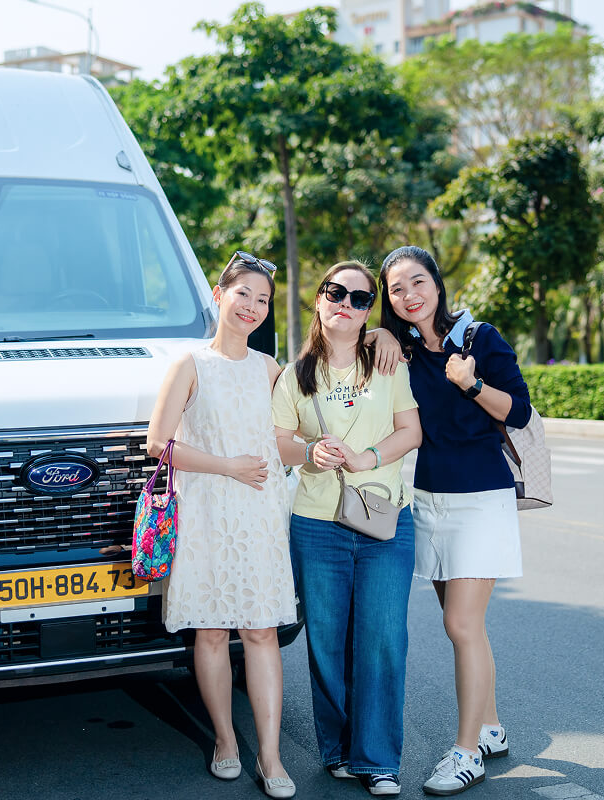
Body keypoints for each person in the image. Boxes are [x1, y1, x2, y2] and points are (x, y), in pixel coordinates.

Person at [374, 245, 531, 797]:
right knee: (467, 624)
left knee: (460, 626)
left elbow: (519, 410)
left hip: (481, 499)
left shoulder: (480, 338)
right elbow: (355, 345)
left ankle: (467, 754)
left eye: (418, 282)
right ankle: (490, 727)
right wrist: (384, 335)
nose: (410, 295)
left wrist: (469, 383)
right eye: (396, 289)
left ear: (438, 284)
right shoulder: (404, 351)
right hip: (430, 500)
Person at [146, 251, 298, 800]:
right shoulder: (188, 365)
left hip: (259, 517)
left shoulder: (270, 369)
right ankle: (227, 742)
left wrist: (315, 451)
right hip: (208, 511)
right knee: (211, 631)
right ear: (219, 294)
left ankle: (274, 757)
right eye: (244, 296)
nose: (252, 308)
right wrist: (226, 464)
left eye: (263, 300)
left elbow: (281, 440)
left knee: (260, 632)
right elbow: (157, 443)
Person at [271, 261, 422, 797]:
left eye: (361, 299)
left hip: (385, 519)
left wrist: (369, 456)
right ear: (319, 299)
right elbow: (278, 439)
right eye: (337, 292)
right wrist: (310, 450)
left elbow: (412, 429)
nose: (347, 303)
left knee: (383, 640)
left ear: (368, 314)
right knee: (327, 644)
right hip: (316, 524)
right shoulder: (296, 375)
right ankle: (336, 750)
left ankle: (378, 760)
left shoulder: (387, 362)